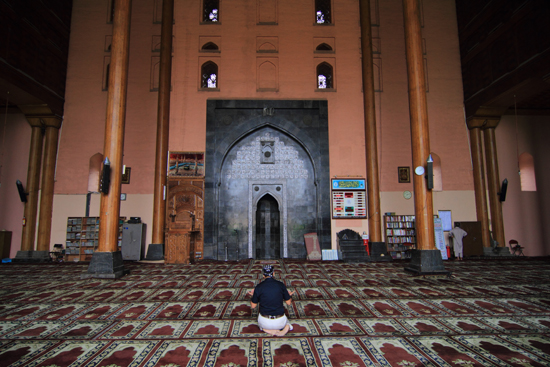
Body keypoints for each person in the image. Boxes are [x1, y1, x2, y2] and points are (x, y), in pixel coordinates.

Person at [247, 264, 295, 336]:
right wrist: (288, 296)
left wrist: (254, 295)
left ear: (263, 275)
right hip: (280, 323)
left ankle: (265, 329)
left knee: (259, 322)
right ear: (274, 273)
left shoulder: (259, 287)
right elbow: (288, 303)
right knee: (287, 321)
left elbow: (253, 306)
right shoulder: (280, 285)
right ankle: (286, 328)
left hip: (265, 322)